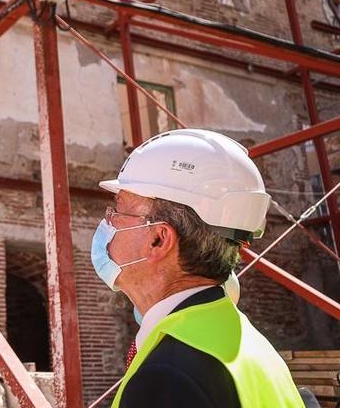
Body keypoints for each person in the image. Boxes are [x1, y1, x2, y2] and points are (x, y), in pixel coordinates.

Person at [91, 128, 305, 408]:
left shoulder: (167, 377)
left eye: (117, 211)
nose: (108, 222)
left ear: (158, 239)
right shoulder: (254, 347)